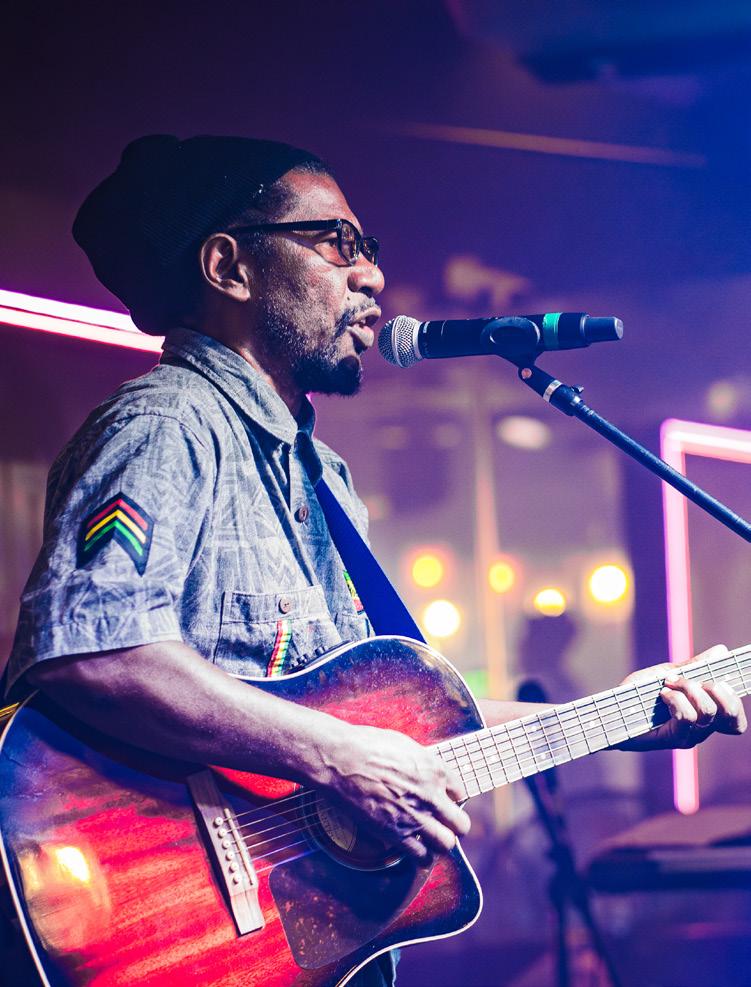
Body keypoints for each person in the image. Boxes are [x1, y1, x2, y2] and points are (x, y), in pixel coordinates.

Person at [3, 135, 746, 986]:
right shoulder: (166, 425)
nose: (372, 276)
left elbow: (397, 727)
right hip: (155, 921)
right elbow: (92, 651)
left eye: (368, 248)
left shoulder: (322, 477)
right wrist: (334, 755)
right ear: (228, 267)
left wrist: (617, 717)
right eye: (337, 242)